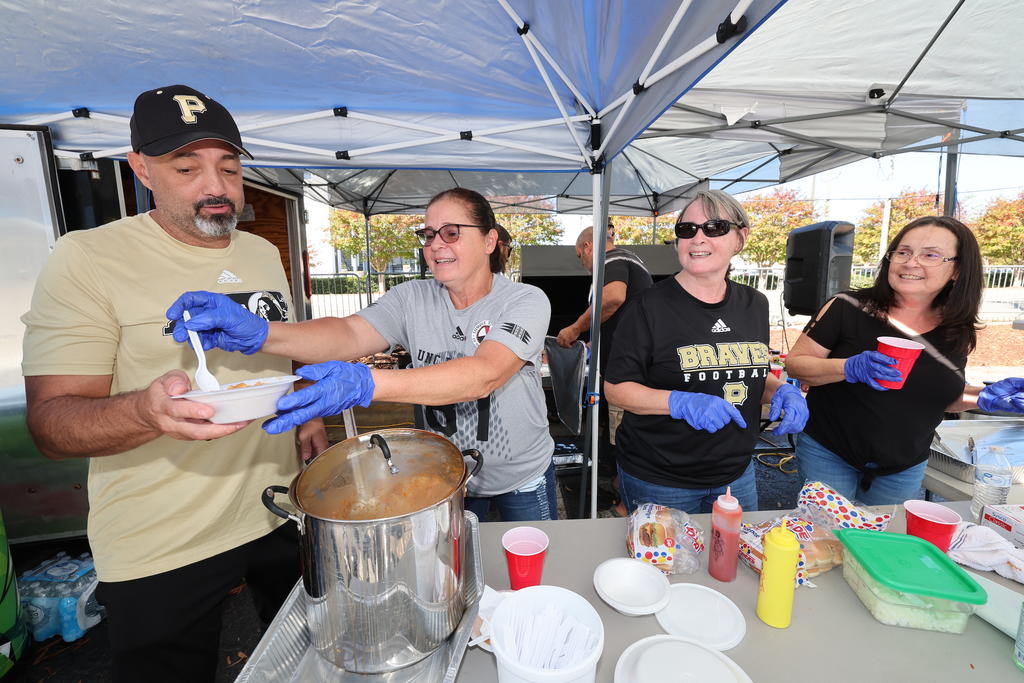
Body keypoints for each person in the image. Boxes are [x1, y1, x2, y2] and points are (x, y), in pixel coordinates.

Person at [20, 84, 325, 683]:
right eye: (186, 167)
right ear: (141, 169)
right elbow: (50, 424)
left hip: (276, 511)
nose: (215, 187)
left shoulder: (262, 251)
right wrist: (144, 412)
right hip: (160, 541)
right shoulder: (85, 258)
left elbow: (279, 350)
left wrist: (307, 412)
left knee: (302, 660)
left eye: (229, 168)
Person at [168, 187, 559, 521]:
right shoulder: (412, 298)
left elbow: (483, 374)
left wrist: (365, 382)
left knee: (528, 584)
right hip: (445, 478)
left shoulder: (525, 300)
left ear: (490, 241)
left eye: (452, 233)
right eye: (428, 235)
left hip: (519, 481)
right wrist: (263, 332)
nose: (436, 244)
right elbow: (347, 333)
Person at [785, 216, 1024, 505]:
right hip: (830, 452)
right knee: (827, 539)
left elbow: (939, 395)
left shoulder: (956, 329)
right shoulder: (846, 307)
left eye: (930, 255)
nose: (911, 263)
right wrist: (848, 367)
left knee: (883, 546)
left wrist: (981, 397)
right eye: (903, 252)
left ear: (957, 270)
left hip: (904, 466)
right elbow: (797, 365)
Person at [604, 190, 808, 514]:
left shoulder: (755, 303)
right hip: (661, 477)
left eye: (714, 227)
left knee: (732, 562)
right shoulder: (646, 307)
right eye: (687, 230)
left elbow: (747, 370)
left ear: (740, 238)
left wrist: (779, 389)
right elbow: (616, 389)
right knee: (664, 564)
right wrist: (679, 402)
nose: (698, 238)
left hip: (735, 474)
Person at [556, 223, 653, 515]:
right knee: (627, 434)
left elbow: (613, 299)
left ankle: (627, 505)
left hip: (629, 371)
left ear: (588, 247)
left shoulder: (612, 259)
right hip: (636, 365)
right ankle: (618, 482)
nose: (583, 263)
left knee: (625, 436)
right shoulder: (630, 260)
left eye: (579, 256)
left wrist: (574, 329)